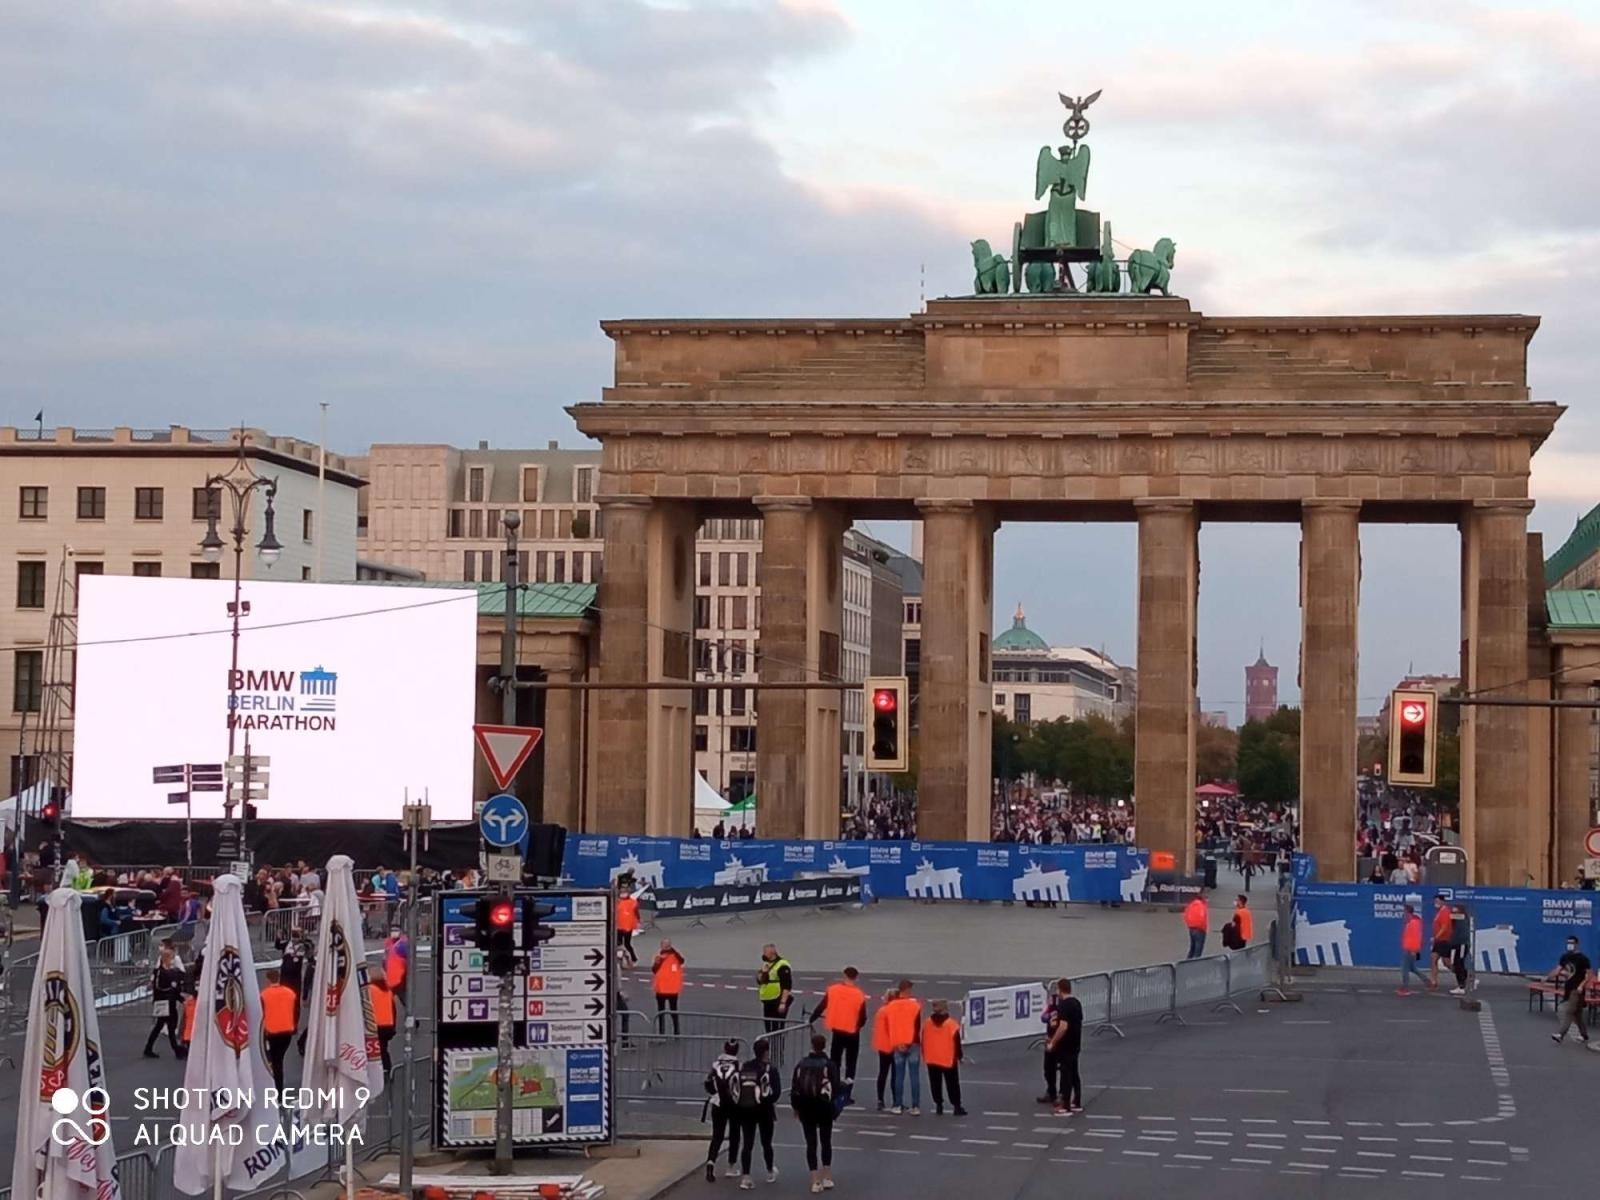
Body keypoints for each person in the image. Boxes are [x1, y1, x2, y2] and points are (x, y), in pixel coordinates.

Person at [790, 1033, 840, 1192]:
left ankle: (814, 1179)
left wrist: (796, 1107)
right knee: (826, 1140)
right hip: (824, 1106)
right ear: (824, 1046)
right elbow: (836, 1087)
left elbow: (795, 1087)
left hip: (806, 1106)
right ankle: (827, 1175)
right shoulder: (829, 1064)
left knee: (811, 1143)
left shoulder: (801, 1064)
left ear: (812, 1046)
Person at [733, 1037, 781, 1189]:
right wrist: (768, 1100)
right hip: (765, 1111)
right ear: (766, 1052)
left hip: (746, 1110)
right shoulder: (770, 1069)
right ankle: (770, 1170)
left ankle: (746, 1176)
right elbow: (777, 1092)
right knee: (766, 1142)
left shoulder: (745, 1067)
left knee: (747, 1143)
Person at [812, 966, 868, 1085]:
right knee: (851, 1061)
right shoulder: (859, 994)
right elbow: (863, 1017)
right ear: (856, 978)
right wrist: (859, 1025)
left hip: (837, 1030)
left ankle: (834, 1083)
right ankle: (848, 1086)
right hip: (853, 1031)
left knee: (835, 1059)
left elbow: (822, 1006)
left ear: (845, 975)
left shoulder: (833, 990)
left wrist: (812, 1019)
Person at [703, 1038, 744, 1182]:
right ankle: (731, 1167)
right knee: (734, 1134)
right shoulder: (739, 1065)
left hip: (718, 1103)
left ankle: (710, 1163)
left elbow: (707, 1083)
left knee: (717, 1135)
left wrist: (714, 1093)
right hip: (734, 1104)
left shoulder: (716, 1065)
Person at [920, 1000, 966, 1117]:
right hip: (948, 1058)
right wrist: (960, 1056)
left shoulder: (927, 1023)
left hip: (932, 1058)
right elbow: (957, 1043)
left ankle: (939, 1105)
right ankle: (956, 1106)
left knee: (935, 1083)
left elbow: (923, 1039)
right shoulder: (951, 1024)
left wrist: (924, 1054)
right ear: (945, 1009)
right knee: (952, 1083)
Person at [883, 979, 922, 1115]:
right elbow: (916, 1027)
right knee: (914, 1076)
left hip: (897, 1044)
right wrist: (909, 1042)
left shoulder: (891, 1006)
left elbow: (890, 1027)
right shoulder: (915, 1006)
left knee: (898, 1076)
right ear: (908, 990)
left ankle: (897, 1104)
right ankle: (915, 1106)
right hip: (913, 1043)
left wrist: (899, 1043)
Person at [143, 943, 187, 1059]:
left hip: (161, 1002)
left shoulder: (159, 972)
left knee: (160, 1025)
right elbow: (172, 988)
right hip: (167, 1003)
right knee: (171, 1027)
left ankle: (149, 1047)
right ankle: (177, 1050)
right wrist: (180, 998)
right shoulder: (168, 973)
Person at [1048, 977, 1084, 1115]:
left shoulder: (1064, 1005)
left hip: (1066, 1046)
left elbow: (1063, 1027)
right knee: (1074, 1073)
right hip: (1076, 1044)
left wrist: (1053, 1042)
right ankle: (1077, 1101)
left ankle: (1065, 1105)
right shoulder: (1076, 1003)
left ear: (1060, 989)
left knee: (1066, 1075)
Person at [1548, 935, 1591, 1045]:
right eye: (1568, 942)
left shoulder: (1583, 958)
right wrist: (1548, 978)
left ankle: (1560, 1035)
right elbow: (1558, 969)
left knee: (1569, 1011)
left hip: (1577, 990)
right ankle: (1584, 1034)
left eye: (1572, 943)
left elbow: (1589, 975)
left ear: (1577, 944)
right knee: (1577, 1014)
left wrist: (1582, 985)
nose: (1569, 945)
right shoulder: (1565, 957)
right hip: (1569, 988)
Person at [261, 968, 300, 1090]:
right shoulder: (290, 993)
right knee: (279, 1060)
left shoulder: (264, 995)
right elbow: (295, 1011)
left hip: (272, 1032)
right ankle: (278, 1088)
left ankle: (277, 1089)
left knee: (275, 1061)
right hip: (287, 1032)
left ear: (268, 979)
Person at [651, 938, 685, 1035]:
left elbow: (682, 961)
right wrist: (659, 961)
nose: (666, 947)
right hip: (662, 989)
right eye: (664, 945)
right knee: (662, 1012)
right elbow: (654, 969)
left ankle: (676, 1031)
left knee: (672, 1011)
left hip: (671, 989)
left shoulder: (675, 956)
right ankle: (663, 1032)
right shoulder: (659, 957)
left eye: (667, 945)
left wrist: (672, 951)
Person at [757, 944, 794, 1031]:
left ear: (772, 953)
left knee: (777, 1028)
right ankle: (770, 1043)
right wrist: (764, 973)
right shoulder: (767, 965)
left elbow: (787, 986)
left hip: (777, 999)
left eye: (765, 952)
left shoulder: (782, 965)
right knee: (768, 1027)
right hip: (767, 1000)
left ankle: (778, 1044)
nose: (763, 954)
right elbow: (760, 981)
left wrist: (783, 1003)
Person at [870, 987, 896, 1111]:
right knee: (896, 1075)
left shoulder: (881, 1011)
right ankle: (897, 1100)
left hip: (883, 1046)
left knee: (883, 1073)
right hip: (895, 1046)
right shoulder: (895, 1011)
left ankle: (880, 1099)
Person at [369, 972, 397, 1073]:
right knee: (383, 1048)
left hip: (375, 1025)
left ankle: (376, 1069)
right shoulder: (388, 991)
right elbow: (394, 1010)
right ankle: (386, 1068)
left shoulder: (371, 989)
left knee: (374, 1048)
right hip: (387, 1025)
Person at [1397, 903, 1426, 995]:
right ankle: (1428, 982)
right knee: (1413, 968)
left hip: (1410, 949)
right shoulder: (1412, 922)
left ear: (1407, 912)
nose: (1403, 914)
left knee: (1405, 969)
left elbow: (1416, 937)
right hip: (1410, 948)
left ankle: (1405, 989)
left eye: (1404, 912)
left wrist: (1414, 950)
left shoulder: (1413, 923)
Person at [1428, 894, 1453, 990]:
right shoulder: (1439, 912)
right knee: (1433, 959)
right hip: (1438, 941)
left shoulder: (1445, 912)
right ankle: (1433, 982)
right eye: (1435, 902)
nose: (1436, 903)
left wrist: (1436, 937)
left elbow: (1444, 927)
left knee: (1447, 962)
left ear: (1443, 902)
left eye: (1438, 901)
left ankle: (1463, 975)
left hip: (1444, 941)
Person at [1447, 903, 1471, 996]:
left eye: (1455, 908)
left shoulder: (1461, 918)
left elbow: (1460, 934)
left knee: (1459, 964)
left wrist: (1452, 942)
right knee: (1458, 964)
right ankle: (1466, 982)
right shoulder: (1458, 919)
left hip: (1462, 945)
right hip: (1459, 944)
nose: (1453, 909)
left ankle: (1462, 986)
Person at [616, 885, 640, 967]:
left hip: (628, 926)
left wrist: (638, 921)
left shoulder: (633, 902)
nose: (623, 894)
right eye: (621, 892)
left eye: (624, 892)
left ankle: (633, 959)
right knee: (618, 944)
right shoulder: (616, 902)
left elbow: (636, 913)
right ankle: (621, 960)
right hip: (618, 926)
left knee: (627, 944)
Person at [1183, 893, 1208, 959]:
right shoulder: (1202, 905)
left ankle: (1186, 963)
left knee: (1192, 947)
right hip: (1200, 929)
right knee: (1198, 950)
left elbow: (1185, 915)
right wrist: (1202, 927)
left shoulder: (1191, 905)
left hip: (1191, 928)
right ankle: (1194, 965)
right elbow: (1202, 917)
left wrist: (1189, 925)